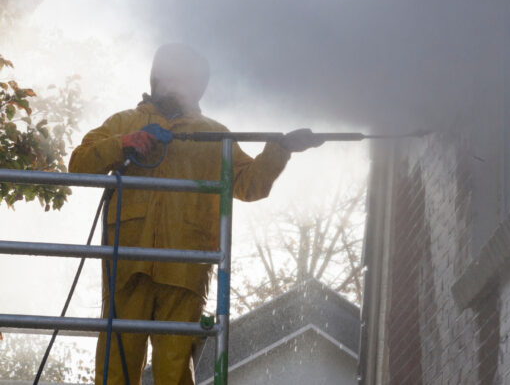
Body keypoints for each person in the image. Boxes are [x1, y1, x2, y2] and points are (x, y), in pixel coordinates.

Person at [68, 43, 321, 384]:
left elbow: (249, 185)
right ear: (156, 80)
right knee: (117, 363)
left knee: (173, 368)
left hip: (186, 268)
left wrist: (280, 149)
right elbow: (80, 164)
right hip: (128, 262)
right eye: (171, 77)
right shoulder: (124, 122)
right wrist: (123, 142)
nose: (177, 86)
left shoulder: (215, 135)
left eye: (186, 80)